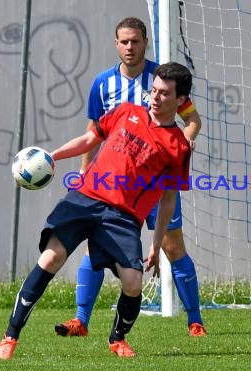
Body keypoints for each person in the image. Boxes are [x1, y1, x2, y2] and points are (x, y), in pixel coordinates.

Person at [0, 61, 194, 359]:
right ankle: (9, 338)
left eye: (164, 94)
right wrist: (51, 157)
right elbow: (90, 139)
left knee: (133, 282)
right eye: (153, 90)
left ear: (180, 101)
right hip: (85, 198)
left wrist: (156, 243)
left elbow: (167, 199)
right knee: (51, 258)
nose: (155, 97)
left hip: (122, 217)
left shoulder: (178, 146)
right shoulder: (126, 112)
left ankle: (117, 338)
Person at [54, 16, 206, 339]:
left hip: (154, 181)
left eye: (135, 41)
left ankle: (195, 321)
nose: (129, 47)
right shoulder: (102, 84)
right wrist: (84, 170)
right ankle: (81, 320)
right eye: (124, 41)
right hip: (114, 185)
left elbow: (192, 119)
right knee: (94, 247)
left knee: (171, 245)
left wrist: (186, 140)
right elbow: (93, 131)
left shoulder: (162, 79)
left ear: (145, 42)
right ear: (116, 44)